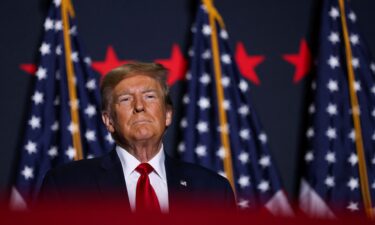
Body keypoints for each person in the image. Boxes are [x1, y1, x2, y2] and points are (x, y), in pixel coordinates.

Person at [39, 62, 235, 213]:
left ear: (167, 115)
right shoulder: (67, 186)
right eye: (125, 99)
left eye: (150, 96)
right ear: (108, 120)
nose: (139, 106)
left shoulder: (213, 190)